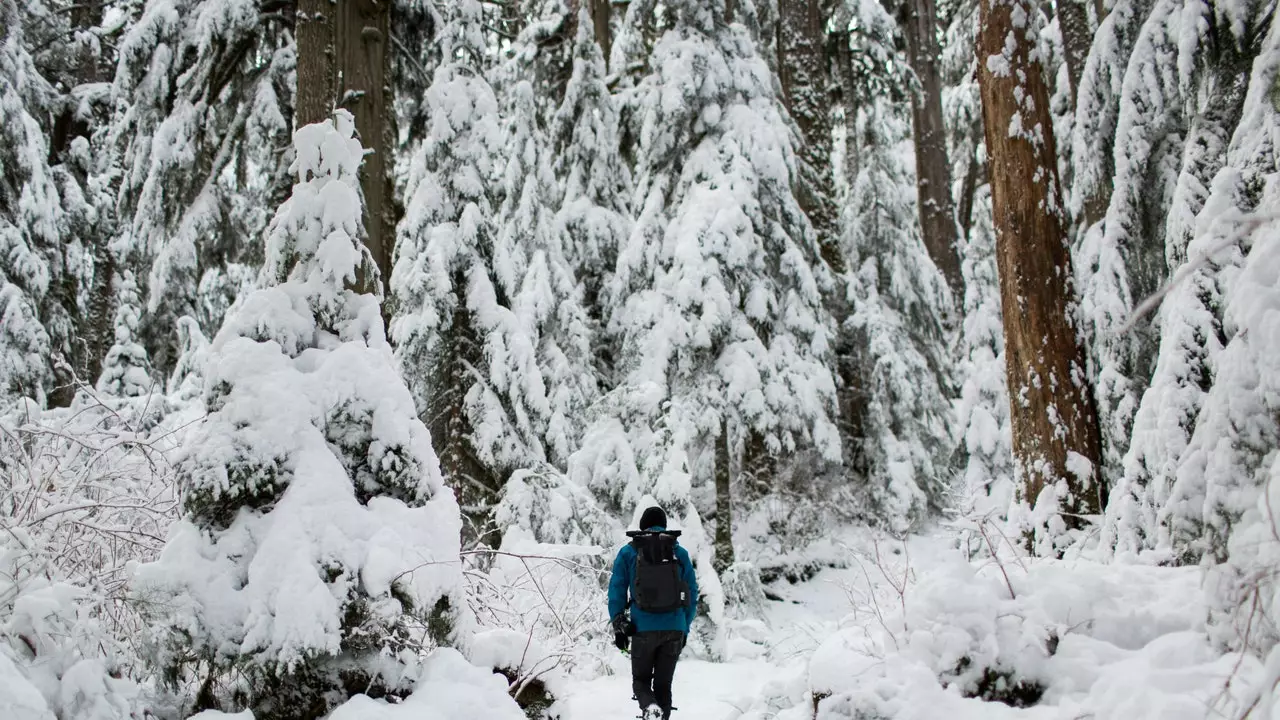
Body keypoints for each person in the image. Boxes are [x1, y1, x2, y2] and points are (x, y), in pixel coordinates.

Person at [608, 505, 698, 720]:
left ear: (642, 526)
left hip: (642, 629)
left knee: (640, 681)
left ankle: (649, 708)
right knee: (663, 686)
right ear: (664, 526)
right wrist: (684, 627)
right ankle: (660, 714)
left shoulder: (629, 551)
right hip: (674, 627)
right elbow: (692, 594)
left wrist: (619, 624)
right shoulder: (679, 552)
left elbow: (616, 590)